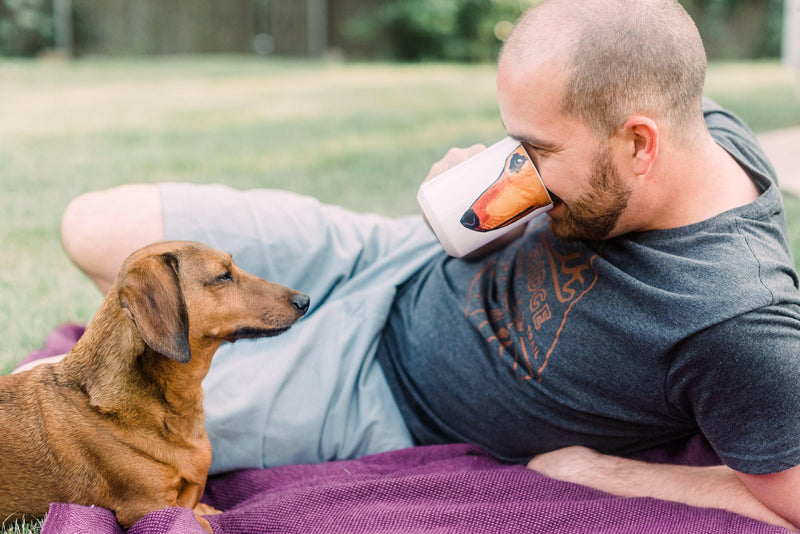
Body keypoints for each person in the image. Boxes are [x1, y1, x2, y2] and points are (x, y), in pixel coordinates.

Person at [59, 0, 800, 529]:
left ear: (639, 144)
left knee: (77, 410)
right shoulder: (695, 122)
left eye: (537, 151)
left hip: (375, 389)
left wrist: (599, 473)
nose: (520, 167)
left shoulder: (735, 323)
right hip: (388, 253)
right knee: (93, 227)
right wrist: (481, 203)